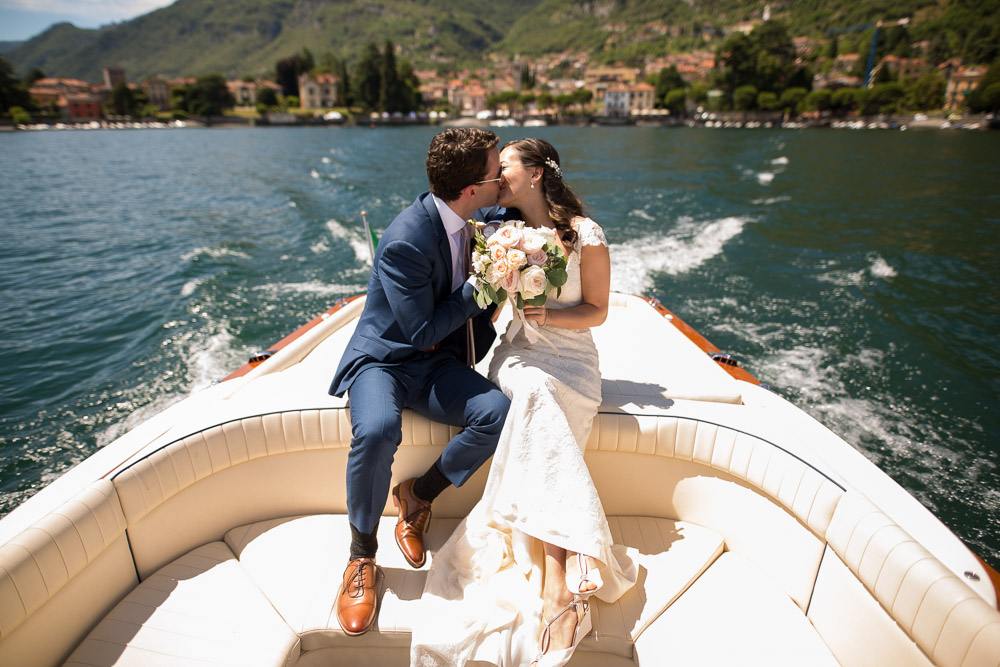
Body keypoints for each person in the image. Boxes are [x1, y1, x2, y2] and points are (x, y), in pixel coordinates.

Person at [410, 138, 637, 666]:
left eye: (503, 167)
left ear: (535, 173)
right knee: (533, 393)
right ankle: (561, 572)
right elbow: (482, 303)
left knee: (544, 399)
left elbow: (598, 310)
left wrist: (549, 317)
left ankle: (566, 559)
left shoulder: (586, 235)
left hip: (573, 360)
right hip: (516, 356)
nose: (494, 176)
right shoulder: (497, 232)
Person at [328, 127, 512, 637]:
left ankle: (419, 494)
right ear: (471, 188)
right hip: (385, 361)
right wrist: (485, 286)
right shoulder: (406, 239)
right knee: (378, 430)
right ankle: (361, 558)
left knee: (497, 413)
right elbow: (422, 329)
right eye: (497, 174)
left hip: (436, 364)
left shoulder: (476, 216)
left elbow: (519, 212)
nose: (502, 180)